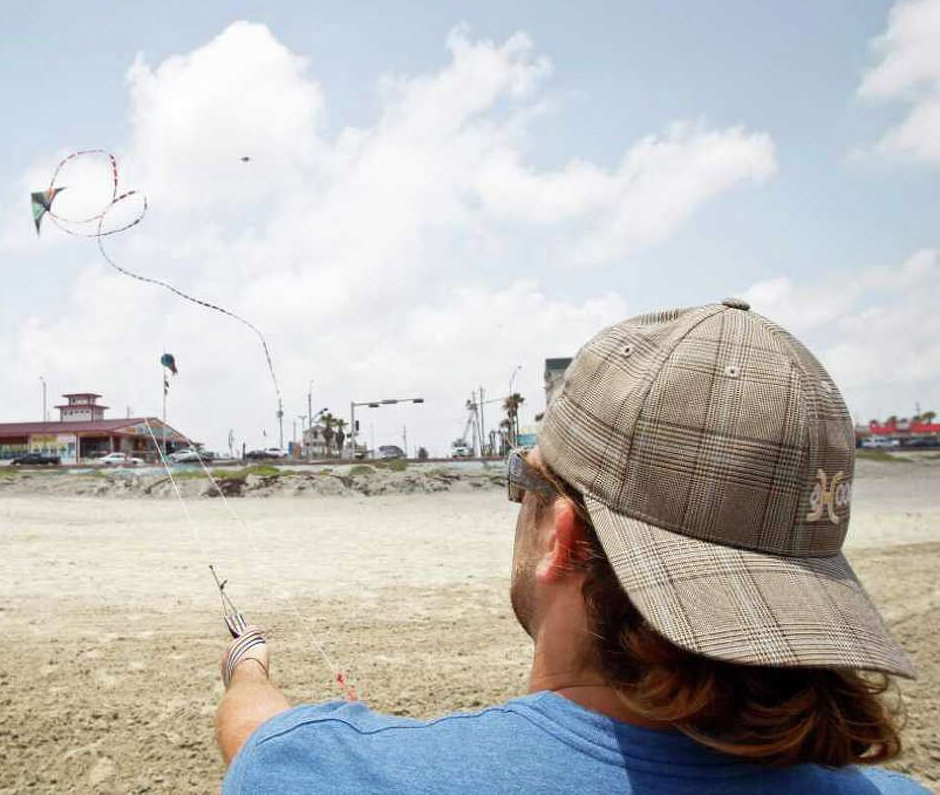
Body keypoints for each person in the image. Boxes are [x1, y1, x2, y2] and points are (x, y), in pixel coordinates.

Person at [214, 299, 927, 793]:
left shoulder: (330, 774)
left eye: (522, 479)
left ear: (565, 536)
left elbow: (257, 737)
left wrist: (249, 665)